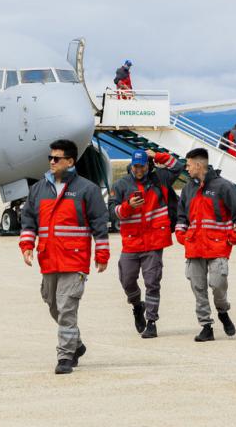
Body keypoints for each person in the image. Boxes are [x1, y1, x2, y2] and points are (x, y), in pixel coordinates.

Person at [19, 139, 110, 375]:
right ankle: (76, 344)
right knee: (52, 304)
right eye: (50, 158)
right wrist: (27, 244)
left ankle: (65, 356)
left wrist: (102, 253)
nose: (51, 161)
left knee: (67, 307)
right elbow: (29, 219)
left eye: (56, 158)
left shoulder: (86, 189)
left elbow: (100, 223)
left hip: (74, 260)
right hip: (48, 258)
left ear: (70, 162)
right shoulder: (39, 189)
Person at [108, 148, 185, 339]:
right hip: (131, 242)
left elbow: (179, 167)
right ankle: (136, 305)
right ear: (131, 165)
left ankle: (151, 322)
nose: (139, 169)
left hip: (154, 240)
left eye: (142, 165)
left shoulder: (160, 179)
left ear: (148, 165)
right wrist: (128, 207)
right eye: (135, 166)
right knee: (127, 280)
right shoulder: (120, 185)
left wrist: (157, 156)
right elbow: (111, 210)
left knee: (152, 282)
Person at [175, 147, 236, 342]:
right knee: (198, 289)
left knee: (217, 285)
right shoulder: (188, 189)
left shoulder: (223, 187)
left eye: (189, 165)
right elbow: (181, 215)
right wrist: (181, 234)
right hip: (194, 248)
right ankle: (206, 326)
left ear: (199, 165)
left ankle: (223, 311)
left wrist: (233, 237)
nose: (186, 169)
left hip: (217, 247)